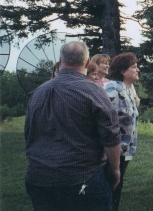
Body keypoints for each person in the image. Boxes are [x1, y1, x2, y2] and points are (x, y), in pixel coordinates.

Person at [25, 41, 121, 211]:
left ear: (60, 61)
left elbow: (29, 134)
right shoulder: (94, 92)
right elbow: (111, 136)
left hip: (38, 179)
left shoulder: (38, 92)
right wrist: (115, 171)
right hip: (81, 179)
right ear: (87, 62)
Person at [104, 52, 140, 211]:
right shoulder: (113, 89)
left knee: (117, 185)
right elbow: (105, 120)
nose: (138, 69)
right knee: (109, 186)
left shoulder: (127, 89)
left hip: (124, 150)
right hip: (112, 151)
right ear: (123, 71)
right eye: (134, 67)